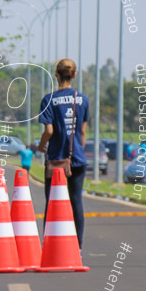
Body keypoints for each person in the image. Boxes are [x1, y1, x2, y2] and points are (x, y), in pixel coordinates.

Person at [37, 58, 89, 249]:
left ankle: (50, 247)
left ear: (56, 75)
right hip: (77, 158)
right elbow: (82, 132)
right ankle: (78, 247)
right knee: (76, 202)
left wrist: (41, 146)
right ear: (74, 75)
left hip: (56, 160)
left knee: (52, 203)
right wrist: (78, 149)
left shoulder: (49, 99)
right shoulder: (82, 99)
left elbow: (49, 131)